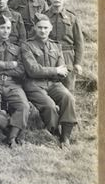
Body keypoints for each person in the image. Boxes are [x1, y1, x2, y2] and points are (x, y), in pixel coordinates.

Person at [21, 13, 77, 148]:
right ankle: (54, 133)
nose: (43, 31)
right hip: (34, 85)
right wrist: (54, 70)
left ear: (50, 28)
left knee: (68, 98)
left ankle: (65, 136)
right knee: (49, 106)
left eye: (46, 28)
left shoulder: (56, 46)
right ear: (34, 28)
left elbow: (62, 70)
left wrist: (55, 72)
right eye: (40, 27)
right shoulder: (27, 46)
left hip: (53, 83)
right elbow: (32, 70)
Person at [0, 16, 30, 147]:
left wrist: (1, 68)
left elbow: (21, 70)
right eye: (2, 27)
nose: (5, 31)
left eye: (8, 28)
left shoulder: (17, 49)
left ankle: (11, 137)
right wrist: (10, 64)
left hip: (12, 83)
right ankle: (13, 132)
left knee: (24, 106)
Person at [45, 0, 84, 92]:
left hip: (67, 56)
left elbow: (79, 42)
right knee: (50, 89)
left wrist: (77, 63)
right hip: (49, 55)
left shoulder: (72, 18)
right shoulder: (44, 16)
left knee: (68, 89)